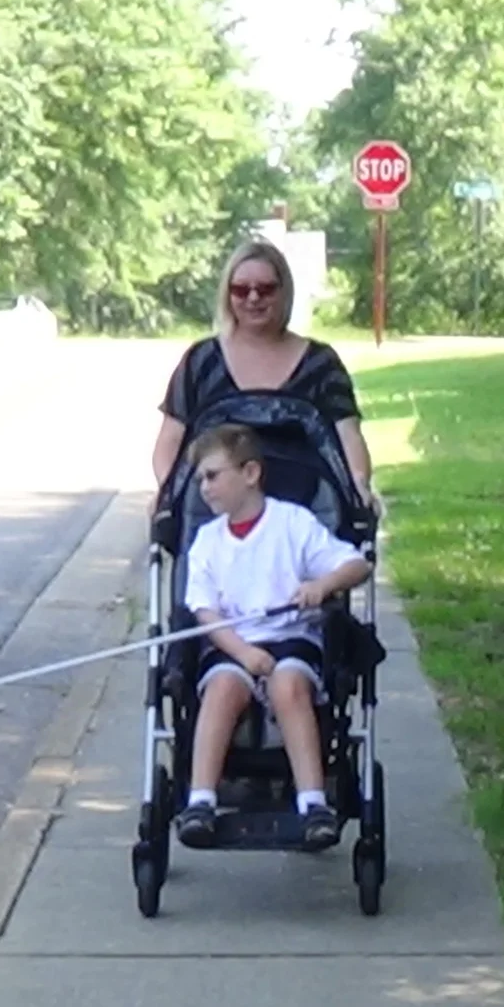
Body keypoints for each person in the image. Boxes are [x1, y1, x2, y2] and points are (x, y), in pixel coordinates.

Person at [173, 423, 375, 852]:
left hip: (291, 637)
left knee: (289, 684)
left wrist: (322, 586)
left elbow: (357, 565)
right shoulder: (207, 541)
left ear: (250, 473)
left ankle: (313, 802)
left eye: (212, 475)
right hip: (231, 640)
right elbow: (205, 611)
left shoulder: (292, 523)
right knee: (222, 687)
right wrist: (244, 653)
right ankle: (201, 800)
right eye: (199, 479)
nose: (203, 488)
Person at [151, 238, 378, 516]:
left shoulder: (320, 363)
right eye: (241, 290)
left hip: (305, 514)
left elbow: (348, 433)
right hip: (213, 514)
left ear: (284, 292)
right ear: (227, 294)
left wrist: (359, 484)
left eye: (266, 289)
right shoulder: (202, 361)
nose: (253, 298)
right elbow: (171, 438)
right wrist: (167, 492)